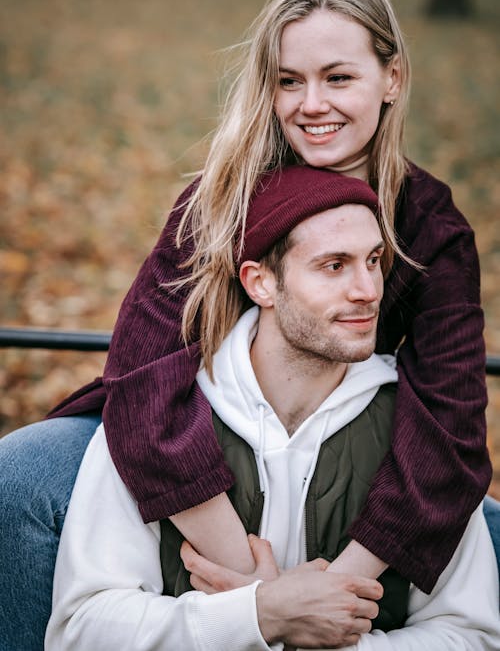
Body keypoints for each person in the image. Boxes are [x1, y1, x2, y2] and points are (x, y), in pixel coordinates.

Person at [1, 0, 499, 650]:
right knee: (21, 475)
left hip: (357, 440)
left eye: (338, 77)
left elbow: (450, 422)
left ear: (392, 79)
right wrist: (259, 590)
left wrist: (337, 600)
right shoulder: (224, 195)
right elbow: (144, 371)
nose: (311, 104)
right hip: (201, 429)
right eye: (289, 81)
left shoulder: (431, 226)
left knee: (487, 535)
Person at [45, 166, 500, 651]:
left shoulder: (417, 432)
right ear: (260, 283)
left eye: (373, 261)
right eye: (333, 266)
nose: (368, 291)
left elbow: (470, 634)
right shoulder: (159, 417)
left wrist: (321, 637)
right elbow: (82, 629)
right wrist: (261, 615)